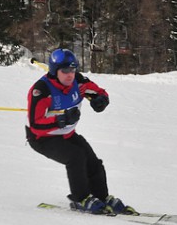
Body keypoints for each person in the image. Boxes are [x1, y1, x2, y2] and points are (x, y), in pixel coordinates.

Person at [26, 48, 135, 215]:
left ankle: (101, 197)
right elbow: (35, 124)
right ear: (55, 71)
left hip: (67, 135)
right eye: (65, 71)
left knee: (93, 162)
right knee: (75, 157)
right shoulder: (41, 90)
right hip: (42, 138)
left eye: (73, 69)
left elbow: (97, 91)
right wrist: (60, 119)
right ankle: (81, 198)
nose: (70, 74)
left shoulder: (77, 81)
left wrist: (101, 100)